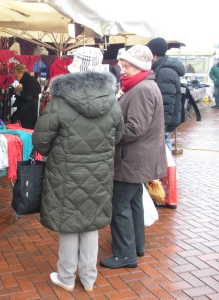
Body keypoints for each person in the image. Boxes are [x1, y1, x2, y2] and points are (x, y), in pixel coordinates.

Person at [32, 47, 124, 292]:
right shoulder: (112, 100)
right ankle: (89, 278)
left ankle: (65, 277)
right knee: (91, 224)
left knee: (68, 222)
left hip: (65, 172)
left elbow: (41, 141)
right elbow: (118, 136)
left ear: (74, 66)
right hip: (100, 172)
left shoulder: (60, 101)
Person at [99, 45, 167, 269]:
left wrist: (108, 133)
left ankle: (125, 255)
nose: (122, 70)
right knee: (134, 202)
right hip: (136, 159)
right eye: (122, 66)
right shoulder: (143, 86)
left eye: (127, 66)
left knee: (119, 206)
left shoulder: (142, 90)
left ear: (139, 67)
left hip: (132, 160)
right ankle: (136, 246)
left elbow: (134, 128)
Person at [146, 37, 185, 151]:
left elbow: (166, 104)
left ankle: (167, 169)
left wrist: (161, 128)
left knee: (164, 153)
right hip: (167, 122)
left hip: (165, 123)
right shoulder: (164, 68)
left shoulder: (164, 72)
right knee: (165, 150)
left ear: (153, 55)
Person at [11, 64, 41, 129]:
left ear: (21, 73)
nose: (16, 79)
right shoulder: (30, 80)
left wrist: (20, 89)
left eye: (16, 76)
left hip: (29, 114)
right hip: (30, 112)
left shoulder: (29, 81)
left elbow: (27, 97)